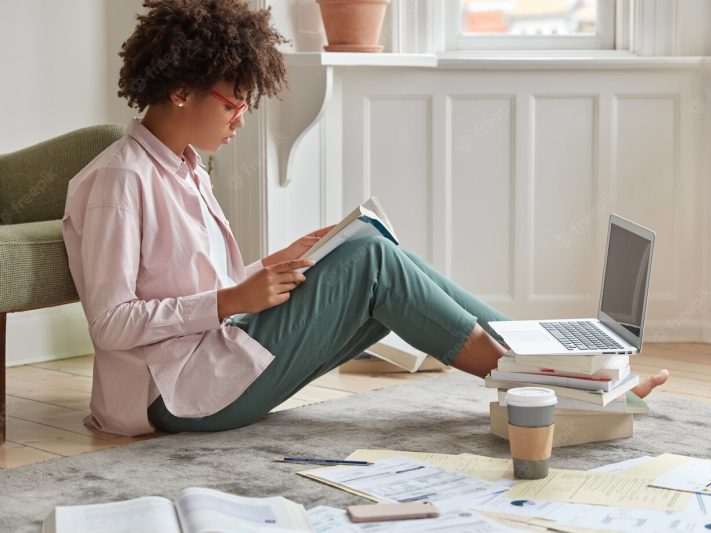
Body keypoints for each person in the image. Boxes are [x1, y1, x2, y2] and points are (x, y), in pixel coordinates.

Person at [62, 0, 669, 438]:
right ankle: (569, 391)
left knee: (370, 241)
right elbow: (111, 324)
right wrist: (230, 299)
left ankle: (563, 364)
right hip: (174, 396)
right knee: (372, 262)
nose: (241, 117)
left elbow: (194, 287)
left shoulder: (186, 167)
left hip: (208, 360)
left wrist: (271, 265)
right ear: (180, 91)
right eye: (234, 101)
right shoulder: (119, 181)